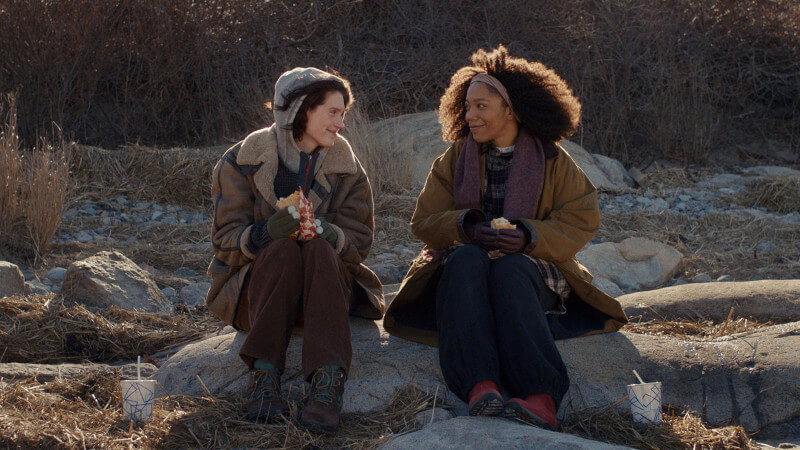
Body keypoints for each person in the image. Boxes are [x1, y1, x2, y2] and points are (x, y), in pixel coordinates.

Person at [384, 46, 628, 430]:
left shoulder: (553, 160)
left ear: (510, 110)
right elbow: (424, 221)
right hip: (467, 272)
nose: (470, 115)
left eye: (481, 106)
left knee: (512, 269)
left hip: (532, 271)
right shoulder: (454, 159)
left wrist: (530, 236)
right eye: (466, 107)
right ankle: (481, 388)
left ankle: (541, 399)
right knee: (465, 258)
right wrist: (464, 227)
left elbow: (581, 219)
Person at [205, 67, 384, 434]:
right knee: (282, 250)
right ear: (301, 110)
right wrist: (264, 233)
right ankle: (265, 377)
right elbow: (225, 240)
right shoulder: (241, 160)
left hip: (326, 294)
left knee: (318, 249)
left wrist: (329, 233)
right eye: (332, 112)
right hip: (259, 295)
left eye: (343, 114)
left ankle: (328, 385)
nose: (340, 123)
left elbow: (360, 241)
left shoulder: (346, 167)